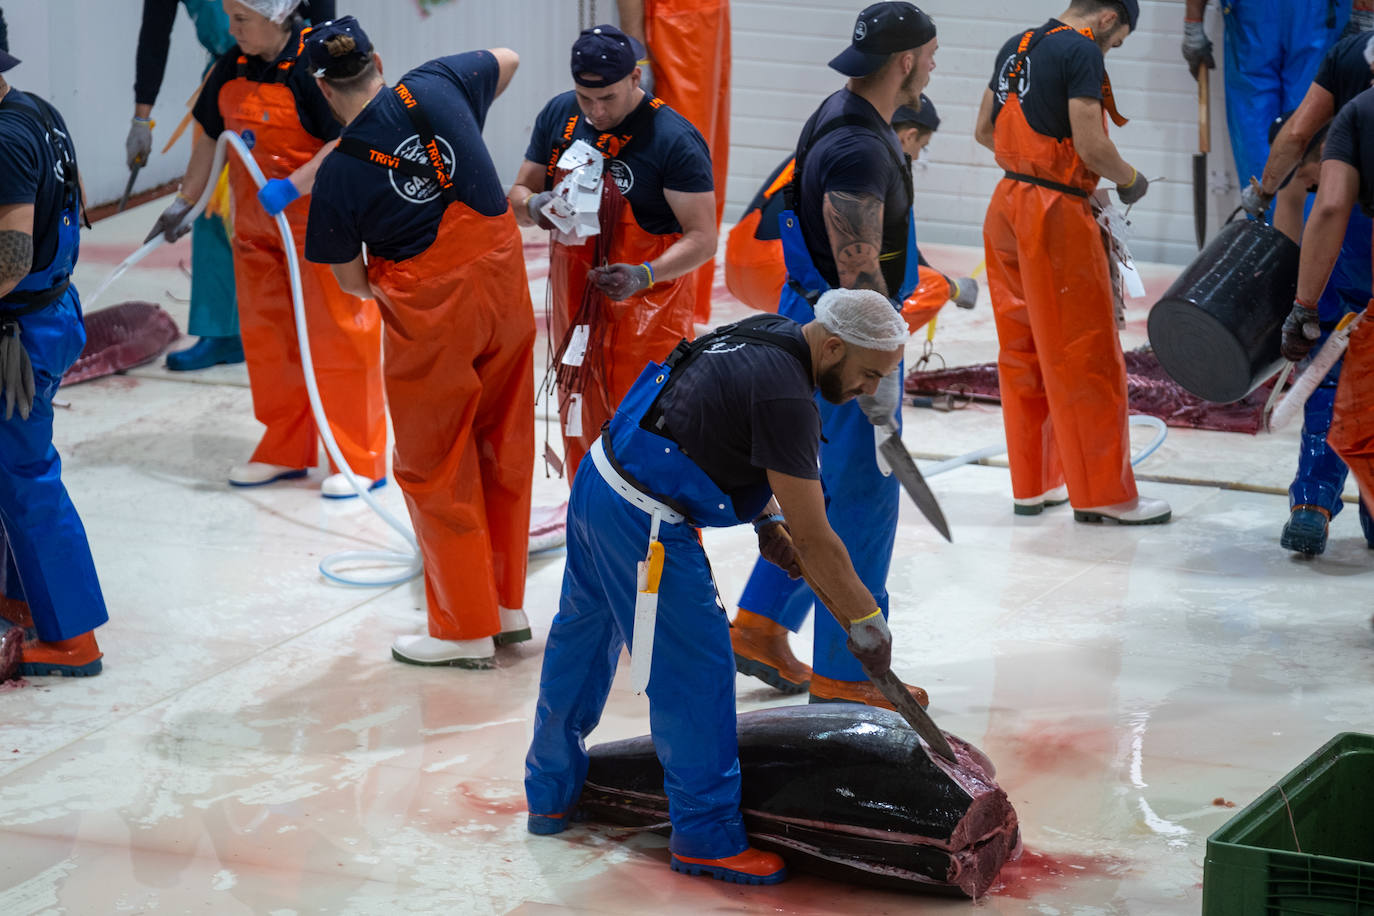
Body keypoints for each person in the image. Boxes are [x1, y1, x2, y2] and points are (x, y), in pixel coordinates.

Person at [525, 289, 910, 886]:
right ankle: (707, 838)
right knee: (696, 675)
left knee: (581, 641)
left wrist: (766, 519)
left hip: (601, 480)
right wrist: (866, 622)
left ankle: (550, 795)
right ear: (834, 347)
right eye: (869, 374)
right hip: (646, 522)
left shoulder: (772, 332)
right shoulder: (789, 399)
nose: (870, 390)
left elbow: (710, 415)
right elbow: (817, 540)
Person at [302, 18, 536, 668]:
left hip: (433, 319)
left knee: (436, 466)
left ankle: (463, 630)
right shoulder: (438, 83)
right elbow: (509, 57)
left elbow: (351, 282)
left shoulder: (338, 173)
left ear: (323, 88)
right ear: (377, 61)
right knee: (504, 446)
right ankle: (506, 607)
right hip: (505, 291)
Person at [728, 3, 935, 704]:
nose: (934, 66)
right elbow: (858, 272)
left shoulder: (842, 114)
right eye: (930, 55)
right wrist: (877, 369)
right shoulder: (858, 148)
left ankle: (760, 625)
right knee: (861, 500)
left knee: (818, 490)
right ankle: (848, 676)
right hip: (846, 339)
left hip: (826, 324)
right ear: (905, 60)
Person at [146, 0, 387, 499]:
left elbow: (349, 138)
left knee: (338, 336)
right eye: (231, 17)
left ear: (276, 14)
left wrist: (293, 186)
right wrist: (185, 201)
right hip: (257, 234)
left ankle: (358, 457)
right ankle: (284, 448)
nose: (231, 28)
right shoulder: (229, 66)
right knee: (269, 341)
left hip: (318, 228)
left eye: (242, 19)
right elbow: (210, 137)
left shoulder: (314, 65)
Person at [974, 0, 1169, 526]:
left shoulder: (1016, 46)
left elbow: (984, 131)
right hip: (1055, 214)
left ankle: (1034, 485)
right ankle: (1104, 494)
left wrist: (1027, 163)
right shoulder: (1081, 50)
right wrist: (1130, 179)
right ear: (1107, 18)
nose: (1113, 48)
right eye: (1118, 39)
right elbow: (1090, 145)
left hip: (1006, 205)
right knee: (1085, 355)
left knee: (1023, 352)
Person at [509, 24, 716, 480]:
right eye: (586, 98)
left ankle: (649, 525)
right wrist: (535, 205)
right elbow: (519, 192)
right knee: (579, 423)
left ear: (635, 79)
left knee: (643, 437)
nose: (596, 112)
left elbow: (703, 238)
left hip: (647, 318)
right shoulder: (559, 116)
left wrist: (644, 274)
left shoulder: (673, 139)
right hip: (574, 309)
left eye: (608, 98)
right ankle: (586, 516)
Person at [1242, 33, 1374, 554]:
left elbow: (1300, 137)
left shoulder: (1354, 92)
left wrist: (1262, 192)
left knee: (1332, 368)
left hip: (1358, 232)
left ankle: (1312, 505)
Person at [0, 44, 108, 677]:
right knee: (12, 472)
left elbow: (12, 261)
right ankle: (23, 600)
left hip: (20, 336)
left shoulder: (5, 139)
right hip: (52, 311)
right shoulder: (39, 111)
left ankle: (73, 640)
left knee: (26, 476)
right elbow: (78, 199)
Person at [724, 96, 978, 325]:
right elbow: (901, 254)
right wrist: (953, 288)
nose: (919, 156)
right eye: (922, 146)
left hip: (739, 265)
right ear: (908, 137)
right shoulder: (873, 160)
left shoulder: (833, 139)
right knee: (924, 286)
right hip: (779, 274)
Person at [1276, 83, 1374, 545]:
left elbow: (1329, 205)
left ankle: (1312, 505)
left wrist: (1303, 305)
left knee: (1329, 383)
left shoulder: (1356, 113)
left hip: (1350, 259)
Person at [130, 0, 242, 371]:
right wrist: (141, 119)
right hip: (225, 78)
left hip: (286, 73)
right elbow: (155, 34)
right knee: (210, 206)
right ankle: (221, 332)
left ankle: (299, 324)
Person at [616, 0, 731, 324]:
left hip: (706, 21)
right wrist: (637, 52)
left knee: (706, 167)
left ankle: (689, 307)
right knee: (678, 169)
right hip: (674, 28)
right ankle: (659, 301)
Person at [1181, 0, 1351, 204]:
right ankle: (1266, 218)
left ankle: (1284, 219)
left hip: (1307, 14)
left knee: (1310, 139)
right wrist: (1193, 22)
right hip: (1262, 15)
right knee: (1269, 139)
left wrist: (1193, 22)